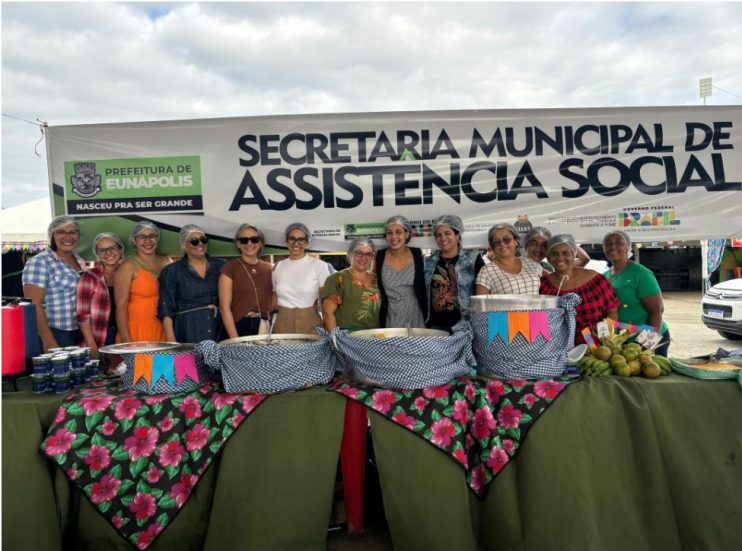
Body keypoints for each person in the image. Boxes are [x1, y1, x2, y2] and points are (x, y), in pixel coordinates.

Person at [540, 234, 620, 345]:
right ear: (548, 258)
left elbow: (612, 310)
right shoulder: (543, 285)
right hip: (555, 348)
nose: (560, 258)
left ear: (574, 255)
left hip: (592, 345)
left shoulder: (596, 280)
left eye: (565, 253)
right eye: (554, 254)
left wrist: (605, 338)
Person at [22, 216, 86, 350]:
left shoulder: (79, 260)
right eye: (61, 232)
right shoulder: (40, 262)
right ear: (52, 235)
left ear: (78, 236)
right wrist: (48, 340)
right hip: (56, 332)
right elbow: (34, 304)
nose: (68, 237)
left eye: (73, 232)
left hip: (80, 331)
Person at [603, 230, 670, 356]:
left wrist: (646, 346)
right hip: (622, 341)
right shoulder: (605, 276)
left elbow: (657, 311)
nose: (613, 246)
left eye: (619, 243)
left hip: (648, 338)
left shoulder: (641, 274)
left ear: (627, 247)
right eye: (608, 243)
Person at [158, 225, 226, 343]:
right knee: (190, 361)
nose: (200, 244)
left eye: (203, 240)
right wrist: (171, 339)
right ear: (184, 245)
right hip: (187, 330)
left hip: (219, 329)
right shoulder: (171, 271)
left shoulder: (221, 266)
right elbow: (165, 308)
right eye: (194, 241)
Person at [114, 222, 171, 343]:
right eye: (142, 237)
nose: (148, 241)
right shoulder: (128, 266)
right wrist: (126, 340)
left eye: (152, 236)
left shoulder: (167, 262)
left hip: (165, 328)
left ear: (157, 238)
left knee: (164, 362)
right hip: (137, 330)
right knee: (142, 362)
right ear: (134, 240)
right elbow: (121, 306)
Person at [272, 222, 331, 334]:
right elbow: (274, 298)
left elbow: (326, 300)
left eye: (301, 239)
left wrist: (329, 329)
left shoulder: (319, 265)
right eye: (292, 239)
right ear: (286, 241)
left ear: (307, 242)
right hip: (282, 324)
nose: (296, 243)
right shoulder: (278, 267)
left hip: (311, 323)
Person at [423, 215, 478, 333]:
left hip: (465, 326)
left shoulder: (473, 260)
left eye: (447, 233)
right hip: (435, 327)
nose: (443, 238)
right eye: (438, 235)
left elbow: (481, 294)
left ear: (457, 235)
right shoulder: (428, 262)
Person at [219, 223, 274, 338]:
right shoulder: (229, 268)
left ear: (261, 243)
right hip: (240, 326)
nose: (249, 243)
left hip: (264, 325)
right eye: (244, 240)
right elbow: (224, 308)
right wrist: (235, 339)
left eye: (254, 239)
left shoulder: (270, 268)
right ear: (238, 244)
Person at [76, 232, 125, 360]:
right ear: (96, 254)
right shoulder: (89, 277)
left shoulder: (128, 273)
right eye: (102, 250)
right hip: (98, 337)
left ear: (120, 249)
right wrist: (92, 346)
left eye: (112, 248)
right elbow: (82, 317)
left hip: (123, 335)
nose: (108, 253)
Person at [375, 215, 427, 328]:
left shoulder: (417, 254)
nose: (394, 237)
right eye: (390, 233)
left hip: (414, 312)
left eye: (398, 232)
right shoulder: (379, 257)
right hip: (390, 313)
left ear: (406, 234)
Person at [321, 238, 381, 331]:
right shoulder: (337, 279)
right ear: (350, 254)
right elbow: (328, 313)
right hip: (347, 337)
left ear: (372, 257)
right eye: (358, 253)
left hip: (375, 337)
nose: (363, 258)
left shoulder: (378, 279)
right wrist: (336, 340)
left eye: (368, 254)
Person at [475, 223, 542, 296]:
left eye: (507, 240)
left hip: (536, 307)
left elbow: (552, 278)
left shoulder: (529, 262)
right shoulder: (486, 271)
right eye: (497, 242)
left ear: (515, 241)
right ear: (492, 246)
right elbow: (481, 304)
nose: (502, 244)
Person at [524, 226, 592, 273]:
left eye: (544, 245)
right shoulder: (516, 264)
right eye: (534, 244)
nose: (538, 249)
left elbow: (584, 258)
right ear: (525, 245)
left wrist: (564, 241)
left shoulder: (548, 267)